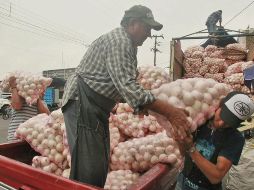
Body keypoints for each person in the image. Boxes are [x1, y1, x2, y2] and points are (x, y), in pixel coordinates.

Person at [61, 5, 190, 187]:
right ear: (132, 23)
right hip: (83, 101)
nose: (149, 34)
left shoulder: (128, 45)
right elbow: (129, 88)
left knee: (98, 164)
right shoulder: (120, 41)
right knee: (89, 168)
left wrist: (156, 108)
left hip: (95, 106)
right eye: (147, 28)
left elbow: (126, 89)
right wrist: (170, 112)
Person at [175, 91, 254, 190]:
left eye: (229, 122)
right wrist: (180, 139)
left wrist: (191, 149)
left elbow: (216, 176)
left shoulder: (235, 138)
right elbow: (183, 153)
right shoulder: (200, 121)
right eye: (222, 116)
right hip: (182, 180)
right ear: (219, 106)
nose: (221, 124)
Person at [7, 76, 50, 142]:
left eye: (44, 91)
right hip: (15, 137)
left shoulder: (41, 102)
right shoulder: (20, 96)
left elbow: (46, 116)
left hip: (31, 138)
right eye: (42, 91)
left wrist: (37, 97)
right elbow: (16, 105)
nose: (44, 93)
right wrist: (14, 87)